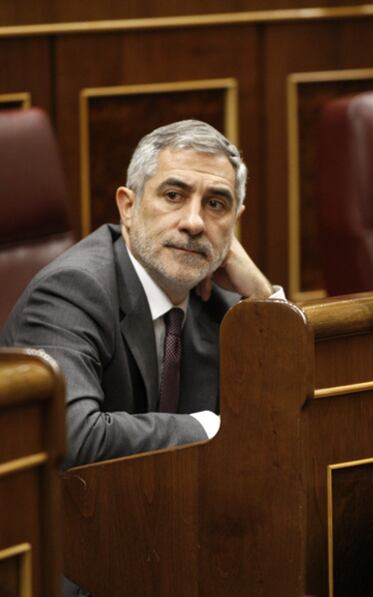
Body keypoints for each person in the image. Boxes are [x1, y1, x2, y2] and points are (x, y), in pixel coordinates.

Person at [0, 120, 285, 471]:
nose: (194, 223)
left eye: (215, 204)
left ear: (235, 221)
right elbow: (74, 438)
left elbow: (291, 416)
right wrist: (210, 428)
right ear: (128, 208)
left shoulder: (226, 299)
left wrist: (261, 292)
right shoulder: (73, 290)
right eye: (173, 196)